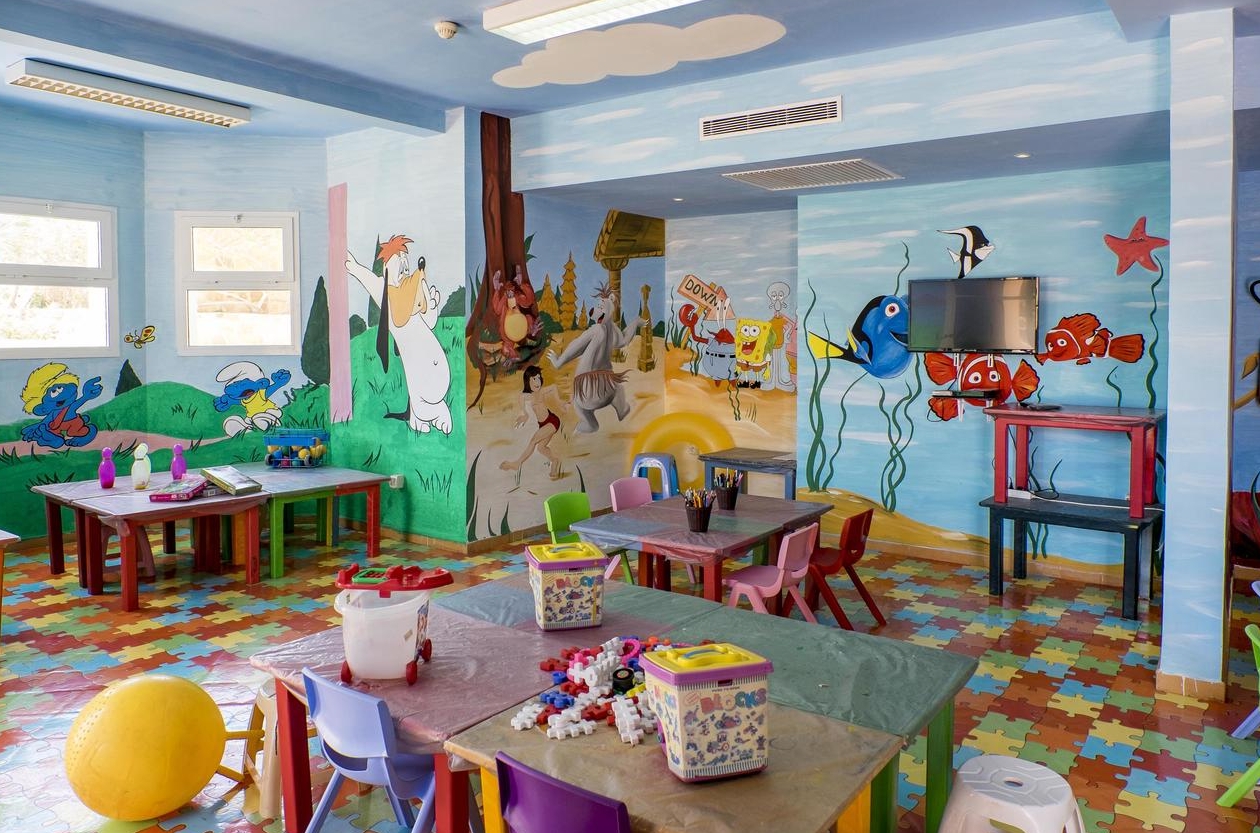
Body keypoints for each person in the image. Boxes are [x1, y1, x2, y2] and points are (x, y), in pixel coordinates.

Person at [500, 365, 568, 479]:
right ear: (528, 381)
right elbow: (522, 401)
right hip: (543, 424)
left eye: (539, 378)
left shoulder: (541, 392)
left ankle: (517, 463)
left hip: (552, 421)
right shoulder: (526, 396)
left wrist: (559, 402)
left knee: (533, 441)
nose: (538, 382)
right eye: (534, 379)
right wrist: (525, 415)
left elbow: (554, 387)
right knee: (541, 448)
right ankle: (554, 461)